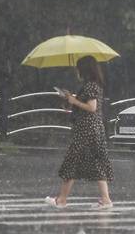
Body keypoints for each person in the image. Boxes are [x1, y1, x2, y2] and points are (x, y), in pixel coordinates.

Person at [45, 55, 114, 209]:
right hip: (93, 130)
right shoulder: (92, 85)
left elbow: (92, 107)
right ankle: (106, 199)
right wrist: (71, 101)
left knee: (72, 163)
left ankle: (61, 200)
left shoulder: (90, 86)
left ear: (84, 69)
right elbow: (87, 106)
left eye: (78, 67)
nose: (76, 70)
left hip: (86, 131)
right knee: (95, 164)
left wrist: (74, 101)